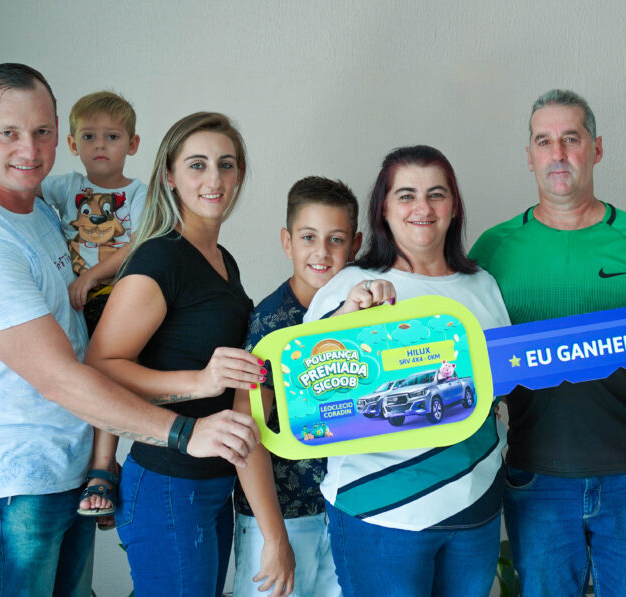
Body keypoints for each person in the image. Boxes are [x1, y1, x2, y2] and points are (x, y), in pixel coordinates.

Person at [0, 63, 261, 597]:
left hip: (64, 473)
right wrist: (184, 432)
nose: (29, 149)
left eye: (42, 131)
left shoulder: (39, 212)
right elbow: (62, 377)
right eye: (8, 133)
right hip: (9, 487)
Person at [468, 89, 626, 596]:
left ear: (597, 148)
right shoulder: (492, 249)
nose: (558, 153)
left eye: (571, 138)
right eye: (544, 141)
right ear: (529, 156)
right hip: (534, 477)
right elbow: (472, 359)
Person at [304, 145, 511, 597]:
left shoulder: (483, 285)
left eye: (436, 194)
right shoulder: (349, 286)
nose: (423, 207)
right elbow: (308, 389)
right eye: (406, 195)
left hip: (475, 509)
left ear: (454, 206)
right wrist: (350, 317)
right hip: (381, 512)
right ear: (383, 207)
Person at [83, 111, 266, 597]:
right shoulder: (160, 257)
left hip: (216, 479)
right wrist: (201, 381)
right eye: (197, 165)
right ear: (169, 176)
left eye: (226, 165)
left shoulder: (222, 260)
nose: (214, 179)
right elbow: (99, 368)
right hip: (169, 482)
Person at [232, 176, 364, 597]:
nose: (321, 252)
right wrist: (274, 539)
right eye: (308, 237)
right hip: (280, 519)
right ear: (287, 242)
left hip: (344, 511)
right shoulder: (271, 324)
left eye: (335, 239)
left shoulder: (362, 316)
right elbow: (246, 433)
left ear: (355, 245)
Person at [40, 91, 144, 335]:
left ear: (132, 144)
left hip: (119, 293)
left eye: (112, 136)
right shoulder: (68, 185)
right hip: (73, 297)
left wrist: (92, 276)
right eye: (88, 136)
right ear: (72, 144)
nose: (100, 144)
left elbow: (138, 245)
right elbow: (21, 189)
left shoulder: (138, 192)